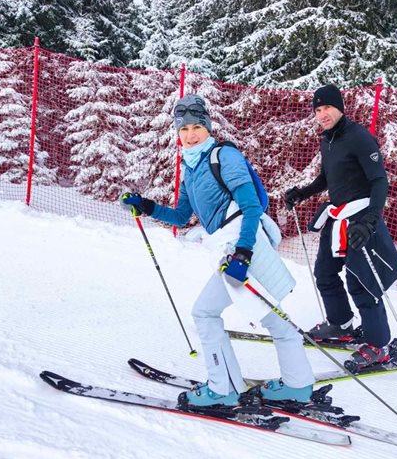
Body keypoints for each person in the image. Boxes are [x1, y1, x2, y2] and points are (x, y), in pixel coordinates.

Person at [121, 94, 315, 406]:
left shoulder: (224, 156)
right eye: (183, 129)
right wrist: (146, 206)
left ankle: (224, 390)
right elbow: (182, 217)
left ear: (208, 126)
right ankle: (297, 385)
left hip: (242, 242)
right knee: (273, 317)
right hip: (232, 245)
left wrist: (243, 253)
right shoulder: (191, 166)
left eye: (197, 126)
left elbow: (251, 208)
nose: (190, 134)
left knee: (206, 312)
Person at [284, 84, 397, 372]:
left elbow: (379, 182)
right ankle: (341, 324)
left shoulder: (360, 138)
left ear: (340, 108)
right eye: (317, 109)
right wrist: (302, 193)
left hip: (361, 220)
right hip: (337, 216)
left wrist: (370, 221)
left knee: (361, 282)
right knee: (324, 273)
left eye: (327, 108)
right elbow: (327, 177)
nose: (322, 114)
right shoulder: (328, 140)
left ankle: (379, 345)